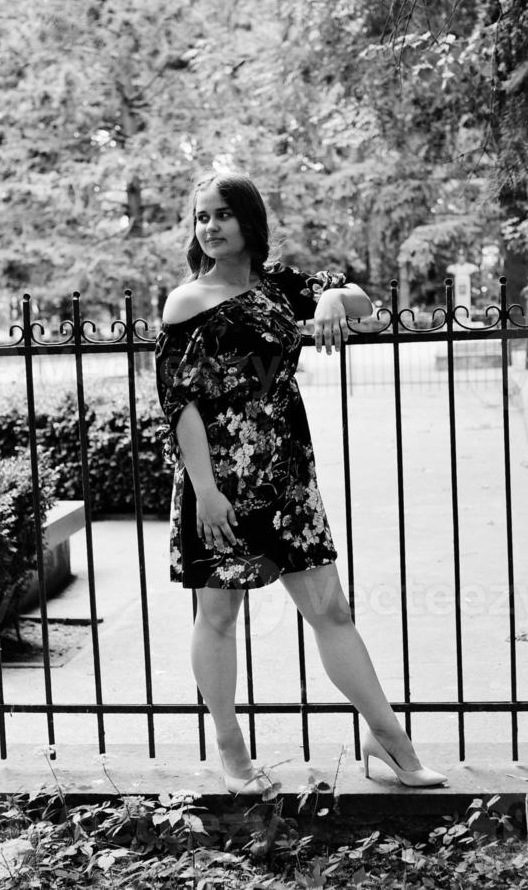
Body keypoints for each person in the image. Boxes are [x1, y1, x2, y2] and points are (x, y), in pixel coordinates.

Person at [154, 171, 447, 795]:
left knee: (331, 610)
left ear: (249, 220)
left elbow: (365, 302)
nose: (210, 227)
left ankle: (388, 739)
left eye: (222, 215)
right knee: (219, 614)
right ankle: (231, 750)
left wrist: (333, 299)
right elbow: (180, 405)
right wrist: (205, 491)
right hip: (221, 485)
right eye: (201, 217)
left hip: (286, 479)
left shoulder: (282, 285)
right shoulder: (186, 301)